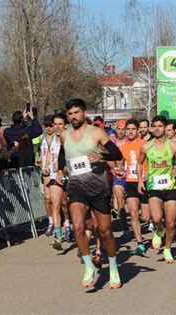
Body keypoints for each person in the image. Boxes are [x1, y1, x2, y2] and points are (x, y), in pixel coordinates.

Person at [56, 99, 123, 289]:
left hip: (98, 187)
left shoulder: (96, 132)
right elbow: (63, 155)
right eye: (70, 113)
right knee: (78, 226)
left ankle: (113, 268)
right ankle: (88, 267)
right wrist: (61, 170)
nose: (73, 117)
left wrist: (101, 155)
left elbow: (116, 153)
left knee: (106, 232)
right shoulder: (64, 135)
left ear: (84, 113)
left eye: (76, 112)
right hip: (76, 187)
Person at [136, 115, 176, 263]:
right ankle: (158, 229)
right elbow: (139, 163)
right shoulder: (146, 146)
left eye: (160, 126)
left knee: (171, 223)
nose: (157, 129)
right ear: (152, 128)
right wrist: (140, 180)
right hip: (154, 187)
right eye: (155, 126)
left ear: (165, 128)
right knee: (157, 218)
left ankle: (168, 249)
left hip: (170, 187)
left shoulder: (173, 145)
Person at [117, 119, 150, 255]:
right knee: (133, 213)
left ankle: (158, 228)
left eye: (132, 129)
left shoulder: (145, 144)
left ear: (138, 131)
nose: (130, 131)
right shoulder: (123, 147)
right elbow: (121, 165)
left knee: (146, 217)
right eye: (128, 129)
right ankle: (140, 243)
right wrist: (119, 171)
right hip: (130, 182)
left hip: (144, 181)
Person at [38, 114, 67, 250]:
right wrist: (46, 165)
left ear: (65, 125)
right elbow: (49, 152)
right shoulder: (51, 139)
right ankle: (57, 235)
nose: (56, 127)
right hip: (55, 176)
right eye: (54, 124)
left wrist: (62, 166)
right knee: (55, 204)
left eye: (59, 124)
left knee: (64, 203)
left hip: (69, 175)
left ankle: (67, 223)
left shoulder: (68, 138)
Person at [110, 120, 130, 240]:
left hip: (131, 175)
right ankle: (125, 227)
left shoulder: (130, 142)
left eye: (123, 129)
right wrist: (113, 168)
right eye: (119, 129)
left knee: (135, 208)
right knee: (119, 198)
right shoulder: (112, 143)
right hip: (117, 175)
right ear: (115, 129)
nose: (121, 132)